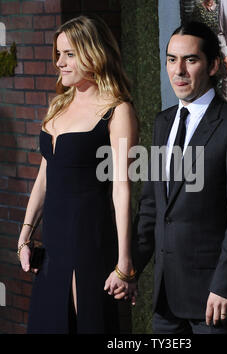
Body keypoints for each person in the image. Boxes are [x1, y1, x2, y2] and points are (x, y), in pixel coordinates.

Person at [132, 21, 227, 334]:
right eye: (171, 60)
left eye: (190, 60)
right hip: (166, 299)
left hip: (213, 300)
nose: (179, 71)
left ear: (214, 65)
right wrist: (130, 268)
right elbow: (153, 206)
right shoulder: (162, 123)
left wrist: (224, 285)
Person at [17, 15, 138, 334]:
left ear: (93, 54)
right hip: (52, 245)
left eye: (69, 54)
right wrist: (26, 233)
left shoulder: (117, 110)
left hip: (87, 241)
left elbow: (122, 189)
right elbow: (45, 174)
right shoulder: (58, 105)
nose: (60, 62)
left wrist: (124, 262)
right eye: (58, 54)